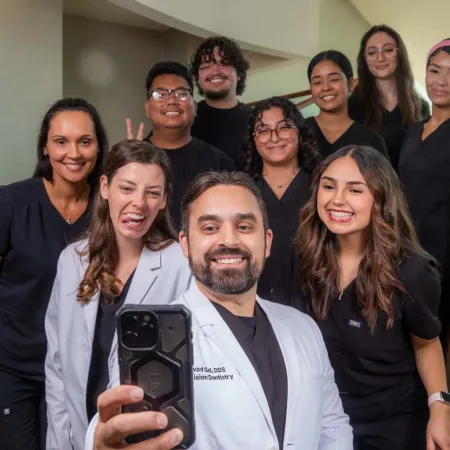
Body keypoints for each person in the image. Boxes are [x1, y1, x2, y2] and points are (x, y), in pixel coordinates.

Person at [85, 171, 353, 450]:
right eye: (210, 228)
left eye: (245, 227)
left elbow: (331, 425)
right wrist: (100, 440)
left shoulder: (303, 328)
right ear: (185, 245)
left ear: (268, 242)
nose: (229, 240)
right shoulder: (154, 335)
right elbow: (119, 421)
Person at [296, 145, 450, 449]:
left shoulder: (413, 271)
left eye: (355, 190)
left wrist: (440, 407)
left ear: (380, 198)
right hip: (325, 415)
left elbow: (426, 343)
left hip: (391, 421)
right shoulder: (307, 254)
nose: (337, 199)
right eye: (329, 186)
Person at [45, 140, 193, 450]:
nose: (139, 203)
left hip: (146, 436)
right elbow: (57, 364)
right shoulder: (72, 260)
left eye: (152, 193)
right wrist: (60, 441)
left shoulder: (181, 264)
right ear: (105, 187)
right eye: (127, 188)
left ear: (165, 200)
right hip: (78, 429)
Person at [0, 98, 107, 450]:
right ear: (45, 147)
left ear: (98, 147)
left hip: (76, 371)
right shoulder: (11, 203)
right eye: (61, 141)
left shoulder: (108, 210)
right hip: (14, 368)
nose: (73, 153)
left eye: (84, 142)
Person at [126, 61, 234, 230]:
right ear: (147, 108)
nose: (171, 101)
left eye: (181, 94)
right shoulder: (129, 159)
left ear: (195, 106)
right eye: (160, 94)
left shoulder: (220, 163)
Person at [399, 39, 450, 355]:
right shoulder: (414, 130)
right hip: (407, 249)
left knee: (436, 338)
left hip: (444, 255)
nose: (442, 81)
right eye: (435, 70)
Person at [245, 96, 320, 305]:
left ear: (299, 132)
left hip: (317, 305)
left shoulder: (322, 187)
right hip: (256, 306)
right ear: (254, 139)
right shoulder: (243, 191)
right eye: (263, 130)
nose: (274, 137)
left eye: (284, 127)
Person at [349, 25, 430, 172]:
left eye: (388, 50)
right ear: (364, 59)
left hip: (410, 190)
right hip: (370, 189)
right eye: (372, 52)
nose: (380, 58)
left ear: (399, 54)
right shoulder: (352, 106)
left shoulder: (421, 106)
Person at [305, 50, 389, 161]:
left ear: (351, 84)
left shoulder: (371, 140)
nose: (326, 87)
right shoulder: (297, 132)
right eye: (317, 82)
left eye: (334, 79)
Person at [190, 36, 252, 170]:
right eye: (206, 66)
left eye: (224, 63)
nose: (215, 71)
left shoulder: (256, 120)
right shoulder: (185, 120)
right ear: (198, 78)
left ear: (239, 73)